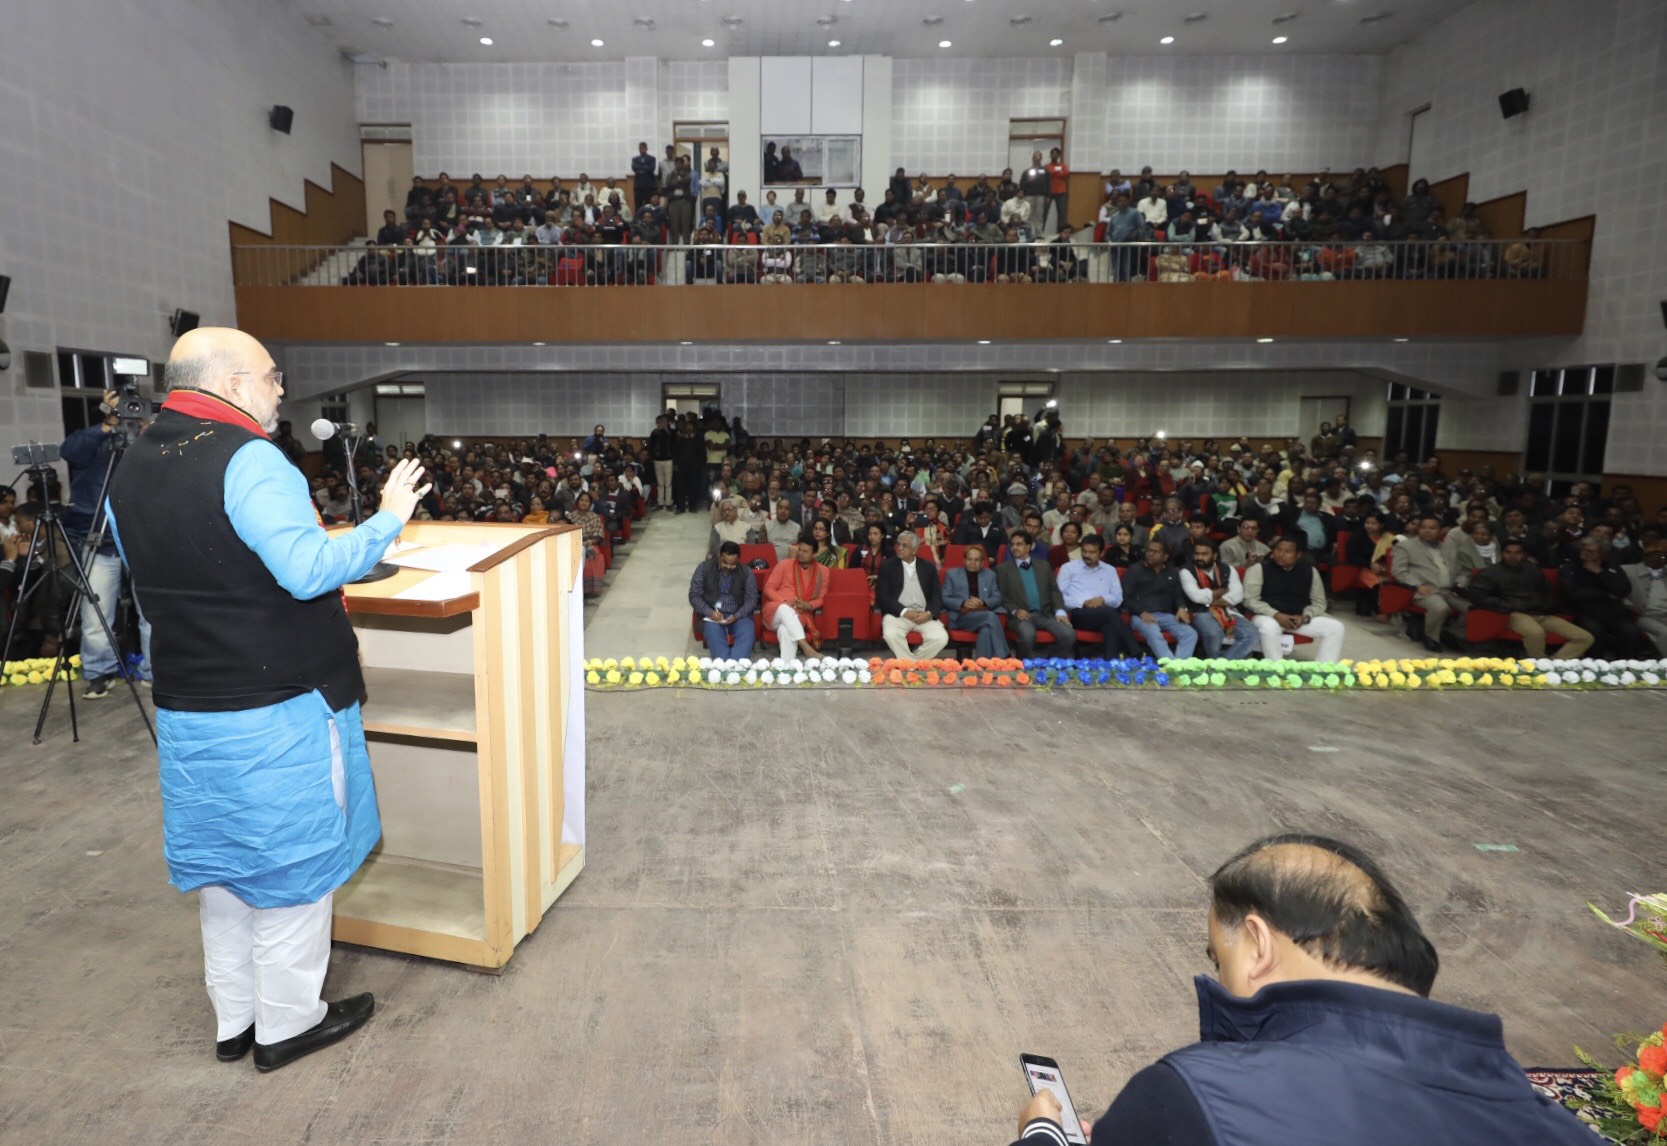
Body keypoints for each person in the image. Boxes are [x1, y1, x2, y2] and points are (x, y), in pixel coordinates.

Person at [107, 327, 432, 1072]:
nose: (281, 388)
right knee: (292, 870)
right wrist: (387, 518)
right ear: (229, 382)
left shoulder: (133, 464)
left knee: (226, 869)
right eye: (271, 376)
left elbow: (149, 578)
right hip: (277, 702)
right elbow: (307, 569)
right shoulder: (249, 457)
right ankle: (288, 1023)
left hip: (190, 699)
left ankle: (236, 1021)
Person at [1009, 834, 1595, 1146]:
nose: (1222, 980)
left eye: (1221, 957)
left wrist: (1041, 1136)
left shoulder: (1196, 1095)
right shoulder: (1552, 1122)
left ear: (1260, 945)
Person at [61, 391, 154, 698]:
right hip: (99, 538)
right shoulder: (98, 441)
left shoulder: (149, 443)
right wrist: (108, 423)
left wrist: (149, 435)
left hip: (143, 537)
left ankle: (155, 672)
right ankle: (100, 673)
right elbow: (70, 451)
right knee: (96, 612)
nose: (130, 415)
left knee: (153, 612)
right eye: (126, 409)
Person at [1463, 539, 1592, 659]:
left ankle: (1552, 664)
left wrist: (1547, 606)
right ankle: (1539, 662)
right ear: (1502, 553)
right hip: (1512, 613)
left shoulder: (1533, 570)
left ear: (1524, 554)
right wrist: (1506, 604)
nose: (1513, 556)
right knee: (1536, 633)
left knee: (1584, 637)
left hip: (1541, 613)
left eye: (1518, 553)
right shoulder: (1489, 572)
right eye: (1509, 552)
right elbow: (1477, 596)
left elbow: (1547, 592)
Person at [1242, 537, 1345, 662]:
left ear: (1298, 555)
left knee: (1336, 627)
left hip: (1297, 619)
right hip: (1267, 616)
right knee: (1270, 627)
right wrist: (1276, 615)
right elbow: (1250, 600)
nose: (1281, 554)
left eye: (1287, 551)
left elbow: (1319, 602)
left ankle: (1324, 670)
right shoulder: (1258, 569)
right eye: (1278, 550)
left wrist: (1306, 617)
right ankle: (1276, 668)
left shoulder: (1310, 571)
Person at [1559, 537, 1645, 659]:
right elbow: (1572, 593)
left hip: (1613, 612)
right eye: (1584, 550)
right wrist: (1605, 594)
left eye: (1591, 551)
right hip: (1585, 612)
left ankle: (1626, 667)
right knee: (1596, 633)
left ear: (1602, 554)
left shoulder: (1612, 567)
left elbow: (1623, 590)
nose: (1586, 553)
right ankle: (1594, 666)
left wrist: (1599, 572)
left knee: (1631, 632)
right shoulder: (1570, 567)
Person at [1057, 534, 1142, 657]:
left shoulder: (1110, 570)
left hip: (1105, 613)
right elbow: (1058, 597)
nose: (1087, 555)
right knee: (1110, 614)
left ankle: (1110, 663)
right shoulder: (1068, 568)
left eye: (1092, 552)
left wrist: (1103, 599)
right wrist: (1083, 603)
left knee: (1109, 626)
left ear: (1101, 553)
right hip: (1080, 614)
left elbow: (1118, 598)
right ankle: (1136, 651)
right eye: (1084, 551)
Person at [1392, 516, 1469, 651]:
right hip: (1424, 589)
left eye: (1432, 528)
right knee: (1440, 607)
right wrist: (1417, 585)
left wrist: (1460, 584)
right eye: (1424, 527)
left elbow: (1463, 570)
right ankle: (1431, 638)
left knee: (1471, 609)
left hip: (1449, 589)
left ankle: (1452, 633)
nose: (1427, 531)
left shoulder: (1449, 547)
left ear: (1441, 531)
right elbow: (1399, 571)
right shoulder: (1406, 546)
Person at [995, 532, 1075, 659]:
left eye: (1019, 544)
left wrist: (1060, 611)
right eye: (1012, 544)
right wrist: (1015, 610)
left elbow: (1054, 590)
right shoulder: (1002, 569)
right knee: (1028, 634)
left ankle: (1051, 664)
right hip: (1020, 617)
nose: (1014, 547)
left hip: (1044, 614)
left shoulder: (1043, 565)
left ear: (1028, 547)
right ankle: (1022, 665)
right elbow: (1000, 596)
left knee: (1068, 634)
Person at [1181, 538, 1259, 659]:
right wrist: (1222, 591)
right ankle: (1218, 666)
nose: (1199, 557)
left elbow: (1238, 595)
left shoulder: (1228, 569)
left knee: (1252, 634)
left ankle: (1219, 666)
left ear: (1215, 555)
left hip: (1227, 610)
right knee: (1214, 634)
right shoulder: (1186, 571)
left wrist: (1211, 599)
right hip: (1199, 612)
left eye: (1204, 554)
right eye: (1197, 554)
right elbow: (1197, 597)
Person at [1121, 539, 1199, 658]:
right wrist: (1141, 612)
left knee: (1190, 633)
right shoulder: (1135, 570)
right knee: (1153, 632)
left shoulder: (1171, 571)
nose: (1150, 554)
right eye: (1149, 550)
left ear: (1165, 556)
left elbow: (1178, 595)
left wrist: (1182, 608)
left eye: (1155, 551)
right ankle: (1170, 667)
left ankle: (1178, 668)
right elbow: (1125, 596)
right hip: (1141, 615)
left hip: (1167, 615)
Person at [876, 530, 948, 660]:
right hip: (898, 614)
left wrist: (929, 613)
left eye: (905, 545)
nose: (900, 548)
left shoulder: (928, 567)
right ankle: (912, 666)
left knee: (941, 637)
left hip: (923, 614)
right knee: (890, 634)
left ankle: (909, 664)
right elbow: (883, 596)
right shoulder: (888, 566)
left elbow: (936, 595)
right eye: (899, 544)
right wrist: (904, 612)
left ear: (915, 550)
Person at [762, 538, 828, 662]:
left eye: (805, 551)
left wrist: (808, 605)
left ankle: (787, 666)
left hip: (800, 614)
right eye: (799, 550)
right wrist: (784, 601)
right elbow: (768, 588)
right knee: (785, 608)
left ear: (814, 554)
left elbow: (821, 599)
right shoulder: (784, 564)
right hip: (774, 611)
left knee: (785, 630)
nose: (800, 553)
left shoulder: (823, 572)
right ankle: (806, 648)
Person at [689, 541, 757, 658]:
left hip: (739, 615)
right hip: (712, 616)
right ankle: (723, 667)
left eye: (733, 564)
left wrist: (737, 616)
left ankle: (737, 666)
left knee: (747, 632)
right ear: (719, 555)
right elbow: (694, 595)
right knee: (713, 635)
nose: (728, 567)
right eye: (725, 563)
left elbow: (751, 600)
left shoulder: (746, 572)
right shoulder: (703, 568)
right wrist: (709, 612)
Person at [942, 545, 1009, 658]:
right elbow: (944, 598)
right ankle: (1004, 656)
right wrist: (963, 602)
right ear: (964, 560)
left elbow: (997, 598)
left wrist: (983, 602)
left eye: (976, 560)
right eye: (969, 559)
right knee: (991, 616)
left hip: (982, 614)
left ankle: (983, 666)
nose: (972, 562)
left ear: (982, 562)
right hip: (962, 617)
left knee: (986, 630)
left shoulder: (990, 575)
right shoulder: (952, 574)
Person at [1624, 540, 1667, 653]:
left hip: (1664, 613)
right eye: (1653, 555)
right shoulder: (1628, 571)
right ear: (1644, 555)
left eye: (1662, 556)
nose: (1657, 559)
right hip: (1642, 615)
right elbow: (1617, 594)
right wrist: (1629, 605)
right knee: (1664, 632)